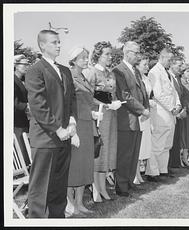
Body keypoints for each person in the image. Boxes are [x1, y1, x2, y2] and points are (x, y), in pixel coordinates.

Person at [25, 30, 77, 218]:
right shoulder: (35, 70)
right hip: (45, 139)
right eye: (54, 42)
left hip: (64, 137)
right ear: (42, 45)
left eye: (59, 42)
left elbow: (72, 99)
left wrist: (72, 123)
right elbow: (38, 105)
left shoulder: (65, 70)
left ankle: (57, 219)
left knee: (58, 186)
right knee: (40, 189)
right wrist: (57, 129)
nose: (59, 45)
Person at [84, 41, 121, 201]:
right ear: (98, 55)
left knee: (108, 152)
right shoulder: (91, 72)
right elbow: (87, 96)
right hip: (98, 117)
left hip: (111, 116)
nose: (110, 57)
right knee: (99, 151)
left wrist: (116, 102)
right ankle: (95, 189)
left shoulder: (111, 73)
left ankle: (103, 187)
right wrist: (105, 104)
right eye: (107, 54)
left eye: (111, 54)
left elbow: (112, 94)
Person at [66, 46, 101, 215]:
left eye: (87, 57)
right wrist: (71, 131)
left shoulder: (84, 77)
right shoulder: (69, 76)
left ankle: (80, 203)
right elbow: (67, 104)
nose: (86, 60)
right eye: (82, 57)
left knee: (85, 164)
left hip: (87, 124)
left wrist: (93, 111)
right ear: (73, 59)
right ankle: (70, 203)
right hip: (76, 125)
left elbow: (86, 101)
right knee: (74, 165)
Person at [112, 41, 150, 196]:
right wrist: (142, 110)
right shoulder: (119, 70)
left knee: (134, 153)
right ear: (126, 53)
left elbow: (142, 92)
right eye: (136, 53)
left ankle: (129, 182)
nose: (138, 55)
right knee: (124, 154)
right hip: (126, 120)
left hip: (137, 118)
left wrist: (145, 107)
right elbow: (125, 95)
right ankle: (121, 187)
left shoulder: (134, 70)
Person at [145, 48, 181, 182]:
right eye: (169, 60)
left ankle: (163, 170)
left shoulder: (167, 73)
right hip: (161, 112)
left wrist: (177, 105)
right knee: (157, 144)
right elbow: (158, 94)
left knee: (167, 144)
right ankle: (152, 172)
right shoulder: (154, 72)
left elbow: (174, 92)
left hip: (170, 113)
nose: (170, 63)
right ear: (162, 57)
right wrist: (172, 108)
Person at [134, 55, 153, 185]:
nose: (147, 67)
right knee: (138, 145)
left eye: (147, 64)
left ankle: (139, 172)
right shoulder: (135, 78)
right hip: (139, 113)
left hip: (146, 113)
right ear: (137, 65)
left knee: (144, 144)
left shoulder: (146, 78)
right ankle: (134, 174)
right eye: (144, 64)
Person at [168, 56, 187, 168]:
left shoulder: (177, 78)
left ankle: (174, 164)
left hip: (179, 112)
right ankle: (169, 165)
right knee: (171, 141)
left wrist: (182, 108)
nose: (181, 68)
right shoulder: (168, 77)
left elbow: (181, 95)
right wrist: (176, 111)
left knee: (176, 140)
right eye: (179, 65)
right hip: (172, 113)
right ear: (172, 64)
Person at [14, 54, 31, 166]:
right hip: (17, 123)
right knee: (22, 151)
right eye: (24, 64)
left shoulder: (22, 80)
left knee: (26, 150)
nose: (26, 67)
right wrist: (27, 106)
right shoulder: (13, 81)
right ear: (16, 65)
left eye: (27, 64)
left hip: (23, 121)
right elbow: (14, 104)